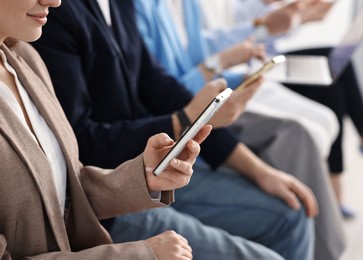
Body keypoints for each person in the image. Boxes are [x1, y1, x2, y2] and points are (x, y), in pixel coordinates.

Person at [32, 0, 322, 259]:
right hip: (110, 193)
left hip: (157, 167)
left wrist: (260, 171)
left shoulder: (119, 5)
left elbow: (156, 83)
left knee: (290, 212)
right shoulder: (53, 15)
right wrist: (184, 118)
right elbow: (83, 141)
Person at [0, 0, 212, 258]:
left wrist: (144, 178)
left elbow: (63, 192)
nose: (55, 1)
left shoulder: (24, 59)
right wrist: (140, 255)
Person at [133, 1, 344, 260]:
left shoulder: (184, 5)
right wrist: (221, 62)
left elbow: (189, 58)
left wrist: (236, 74)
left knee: (315, 122)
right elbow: (166, 92)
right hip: (178, 122)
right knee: (295, 138)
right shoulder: (137, 8)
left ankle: (330, 241)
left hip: (202, 100)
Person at [200, 0, 363, 218]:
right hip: (250, 65)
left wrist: (299, 17)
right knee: (329, 84)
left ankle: (350, 161)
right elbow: (237, 33)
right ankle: (357, 152)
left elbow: (259, 30)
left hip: (266, 57)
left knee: (334, 70)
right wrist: (284, 18)